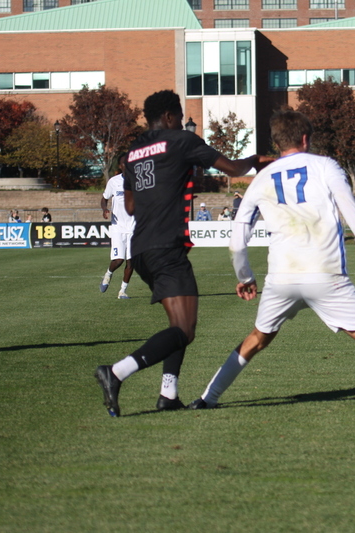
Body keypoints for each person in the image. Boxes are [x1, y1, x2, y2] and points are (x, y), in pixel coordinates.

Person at [189, 110, 355, 416]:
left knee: (256, 340)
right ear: (306, 138)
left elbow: (237, 241)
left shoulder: (260, 179)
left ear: (277, 143)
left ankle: (207, 398)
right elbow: (346, 201)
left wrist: (246, 277)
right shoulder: (325, 165)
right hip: (326, 275)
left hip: (281, 279)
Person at [94, 89, 271, 417]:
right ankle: (116, 372)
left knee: (178, 327)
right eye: (181, 118)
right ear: (171, 117)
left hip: (142, 249)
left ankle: (168, 395)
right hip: (167, 246)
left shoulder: (133, 153)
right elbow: (232, 169)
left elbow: (130, 206)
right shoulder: (181, 141)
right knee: (184, 330)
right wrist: (260, 161)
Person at [99, 153, 135, 300]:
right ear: (120, 166)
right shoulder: (114, 182)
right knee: (119, 260)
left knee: (132, 262)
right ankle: (108, 274)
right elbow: (104, 198)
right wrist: (104, 209)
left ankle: (122, 291)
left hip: (135, 228)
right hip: (118, 227)